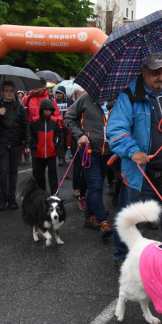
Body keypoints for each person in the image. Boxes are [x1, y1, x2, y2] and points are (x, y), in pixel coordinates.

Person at [107, 52, 162, 266]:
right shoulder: (128, 97)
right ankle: (122, 257)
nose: (161, 78)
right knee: (130, 218)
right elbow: (116, 129)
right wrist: (133, 151)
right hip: (141, 174)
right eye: (155, 73)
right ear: (144, 72)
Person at [64, 92, 114, 238]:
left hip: (108, 151)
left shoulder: (115, 101)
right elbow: (68, 118)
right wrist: (79, 135)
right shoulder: (85, 99)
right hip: (89, 150)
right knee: (96, 185)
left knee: (97, 186)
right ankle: (103, 222)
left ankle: (89, 217)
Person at [0, 81, 30, 210]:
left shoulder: (19, 107)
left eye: (11, 91)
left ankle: (11, 197)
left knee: (13, 172)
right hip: (1, 143)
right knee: (3, 171)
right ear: (2, 92)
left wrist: (27, 142)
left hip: (15, 143)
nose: (9, 93)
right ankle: (3, 197)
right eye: (7, 91)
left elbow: (25, 125)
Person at [28, 98, 62, 194]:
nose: (48, 112)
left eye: (50, 110)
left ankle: (54, 193)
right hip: (39, 153)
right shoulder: (35, 121)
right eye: (46, 110)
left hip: (51, 153)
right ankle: (41, 193)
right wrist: (34, 146)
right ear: (41, 109)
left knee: (53, 174)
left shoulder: (54, 121)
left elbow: (59, 134)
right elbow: (31, 135)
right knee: (39, 175)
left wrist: (55, 144)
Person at [53, 86, 74, 166]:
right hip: (58, 125)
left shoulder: (70, 101)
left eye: (60, 93)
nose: (58, 95)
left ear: (64, 93)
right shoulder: (54, 101)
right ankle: (61, 158)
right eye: (57, 93)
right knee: (59, 142)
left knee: (66, 142)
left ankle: (63, 155)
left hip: (67, 125)